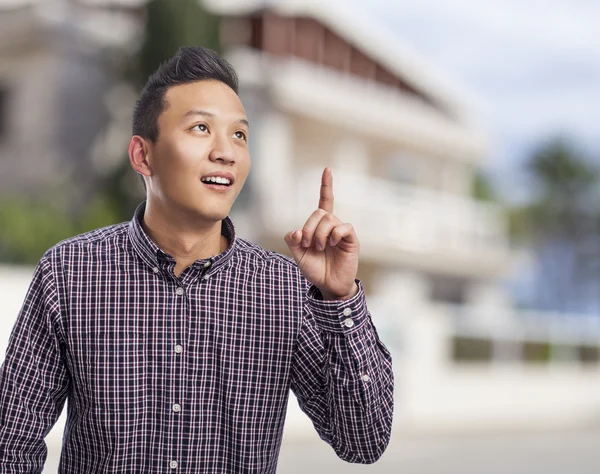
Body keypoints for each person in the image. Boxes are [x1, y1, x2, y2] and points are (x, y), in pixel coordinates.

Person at [0, 46, 394, 473]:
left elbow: (364, 440)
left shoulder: (285, 287)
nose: (226, 152)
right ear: (142, 155)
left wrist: (340, 299)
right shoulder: (70, 273)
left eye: (240, 135)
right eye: (201, 128)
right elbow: (11, 443)